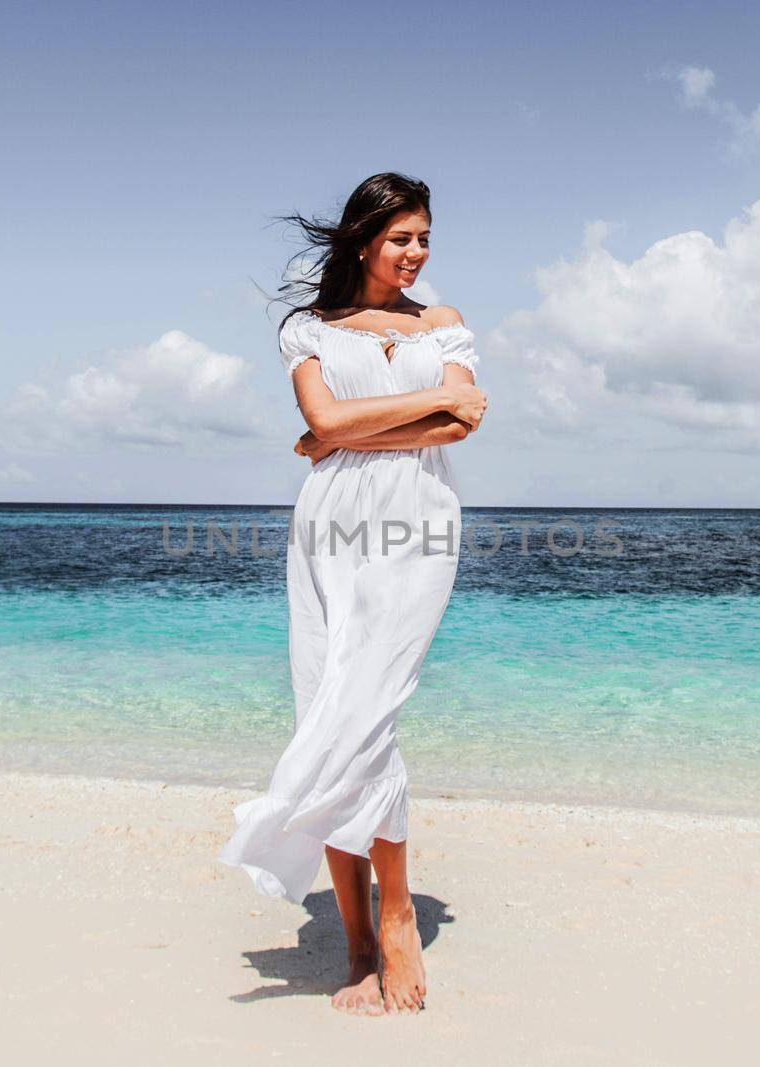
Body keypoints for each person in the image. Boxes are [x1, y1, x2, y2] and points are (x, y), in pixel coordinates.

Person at [217, 172, 487, 1016]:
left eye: (425, 239)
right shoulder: (309, 327)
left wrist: (350, 429)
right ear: (364, 238)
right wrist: (426, 397)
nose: (416, 254)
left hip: (421, 516)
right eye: (402, 237)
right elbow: (326, 425)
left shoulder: (443, 323)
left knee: (371, 706)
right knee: (326, 707)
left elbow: (462, 423)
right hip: (331, 525)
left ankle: (398, 912)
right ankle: (358, 937)